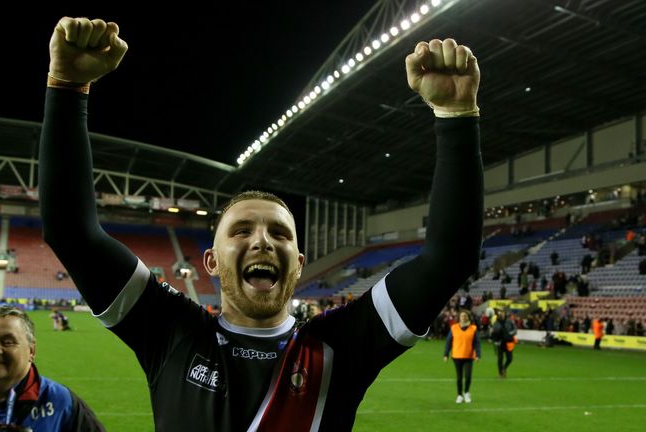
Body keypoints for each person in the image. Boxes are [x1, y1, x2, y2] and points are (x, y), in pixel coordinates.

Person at [39, 16, 483, 431]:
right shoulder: (170, 332)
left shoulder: (343, 346)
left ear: (299, 262)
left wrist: (457, 116)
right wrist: (67, 86)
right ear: (210, 261)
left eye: (279, 233)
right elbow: (71, 231)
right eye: (242, 230)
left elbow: (448, 260)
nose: (262, 242)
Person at [443, 311, 481, 404]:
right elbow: (448, 342)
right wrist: (446, 354)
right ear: (459, 317)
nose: (463, 317)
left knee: (468, 376)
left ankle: (467, 392)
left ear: (468, 317)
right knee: (459, 377)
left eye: (465, 316)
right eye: (462, 315)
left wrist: (478, 355)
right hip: (456, 356)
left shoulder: (473, 328)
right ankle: (459, 395)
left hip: (468, 356)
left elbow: (477, 343)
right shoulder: (454, 327)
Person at [490, 308, 517, 378]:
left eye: (502, 313)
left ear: (505, 313)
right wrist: (495, 339)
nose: (501, 314)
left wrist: (509, 334)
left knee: (510, 358)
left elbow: (515, 330)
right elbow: (494, 333)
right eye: (500, 313)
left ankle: (504, 368)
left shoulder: (510, 321)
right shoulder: (496, 323)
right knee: (500, 358)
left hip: (508, 342)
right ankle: (500, 373)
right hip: (500, 343)